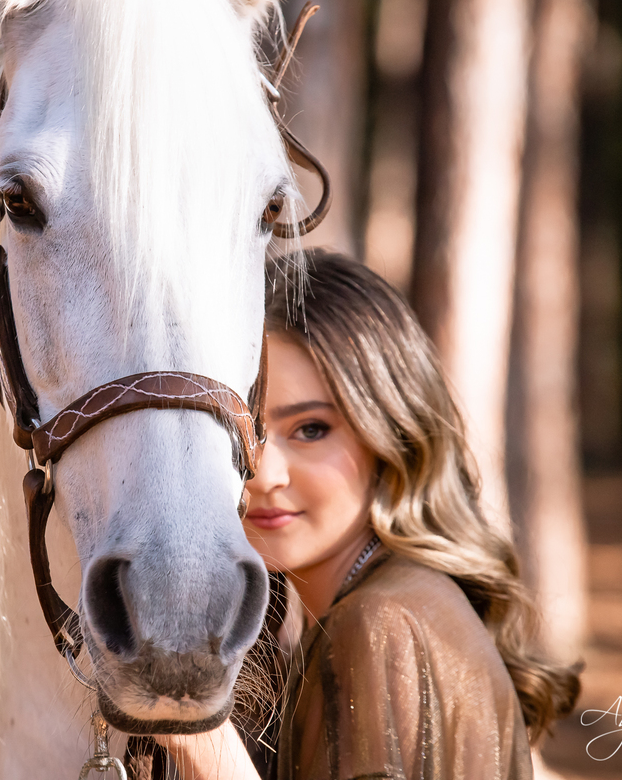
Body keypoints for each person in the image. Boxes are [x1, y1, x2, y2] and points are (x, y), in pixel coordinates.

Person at [155, 250, 580, 780]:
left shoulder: (379, 627)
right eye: (241, 430)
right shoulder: (397, 605)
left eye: (311, 429)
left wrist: (195, 731)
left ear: (391, 435)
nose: (264, 475)